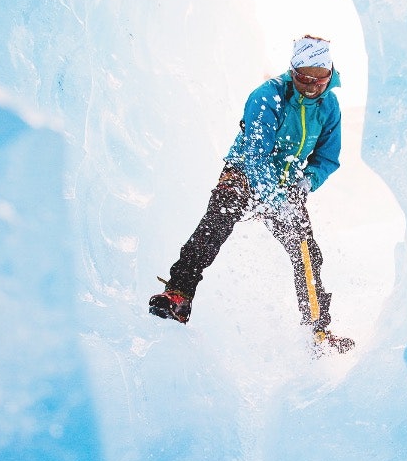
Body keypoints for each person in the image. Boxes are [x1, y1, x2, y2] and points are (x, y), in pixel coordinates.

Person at [149, 35, 354, 354]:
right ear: (293, 72)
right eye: (304, 78)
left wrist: (305, 183)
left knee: (306, 253)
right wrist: (276, 200)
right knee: (216, 224)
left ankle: (318, 330)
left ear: (330, 74)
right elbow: (256, 155)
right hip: (245, 174)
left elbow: (327, 158)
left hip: (289, 185)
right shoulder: (268, 96)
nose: (312, 86)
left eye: (320, 78)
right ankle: (178, 294)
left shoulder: (330, 107)